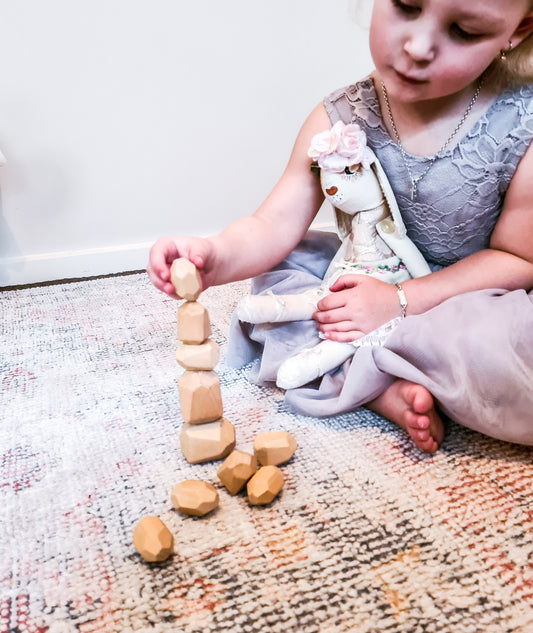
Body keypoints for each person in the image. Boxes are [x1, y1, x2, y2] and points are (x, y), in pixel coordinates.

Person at [148, 0, 533, 453]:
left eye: (464, 31)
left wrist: (400, 301)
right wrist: (216, 256)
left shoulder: (520, 125)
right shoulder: (339, 117)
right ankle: (384, 385)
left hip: (466, 296)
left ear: (518, 29)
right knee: (283, 284)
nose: (418, 46)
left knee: (501, 343)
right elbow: (273, 223)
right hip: (365, 278)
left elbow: (519, 258)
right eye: (406, 6)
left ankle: (366, 374)